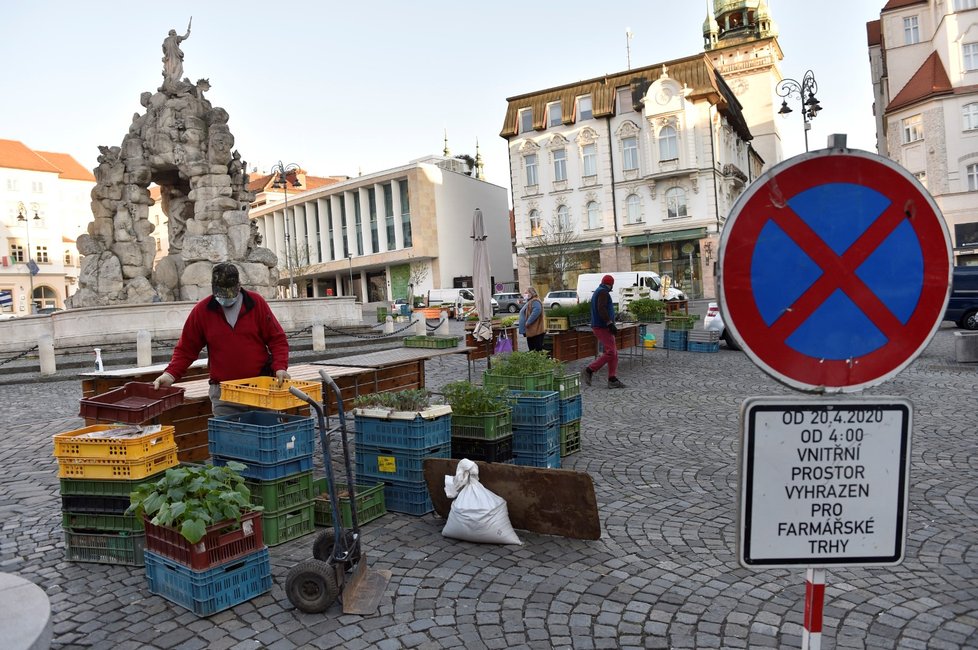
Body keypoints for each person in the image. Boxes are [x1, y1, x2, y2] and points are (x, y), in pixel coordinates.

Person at [153, 262, 291, 416]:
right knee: (228, 439)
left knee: (267, 436)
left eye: (230, 294)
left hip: (261, 387)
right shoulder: (202, 311)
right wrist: (170, 374)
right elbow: (186, 349)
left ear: (239, 286)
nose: (226, 299)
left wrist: (280, 367)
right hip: (224, 394)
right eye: (222, 294)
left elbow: (277, 339)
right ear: (213, 288)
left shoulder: (255, 303)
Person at [582, 275, 625, 389]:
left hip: (601, 326)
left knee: (614, 353)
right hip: (602, 327)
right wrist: (609, 323)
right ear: (610, 284)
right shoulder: (603, 292)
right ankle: (589, 370)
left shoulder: (599, 291)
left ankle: (612, 379)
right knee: (611, 352)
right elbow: (601, 308)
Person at [162, 18, 192, 85]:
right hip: (175, 57)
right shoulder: (176, 37)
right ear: (172, 33)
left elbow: (164, 49)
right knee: (179, 69)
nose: (175, 33)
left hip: (168, 58)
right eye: (174, 32)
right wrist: (188, 31)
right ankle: (174, 82)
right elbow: (185, 37)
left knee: (169, 70)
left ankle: (170, 81)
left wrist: (166, 55)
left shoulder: (166, 40)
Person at [518, 287, 545, 352]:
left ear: (531, 293)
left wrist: (528, 322)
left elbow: (536, 311)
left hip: (535, 331)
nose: (525, 294)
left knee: (536, 349)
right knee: (531, 349)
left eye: (526, 293)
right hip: (530, 330)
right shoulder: (530, 301)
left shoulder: (535, 301)